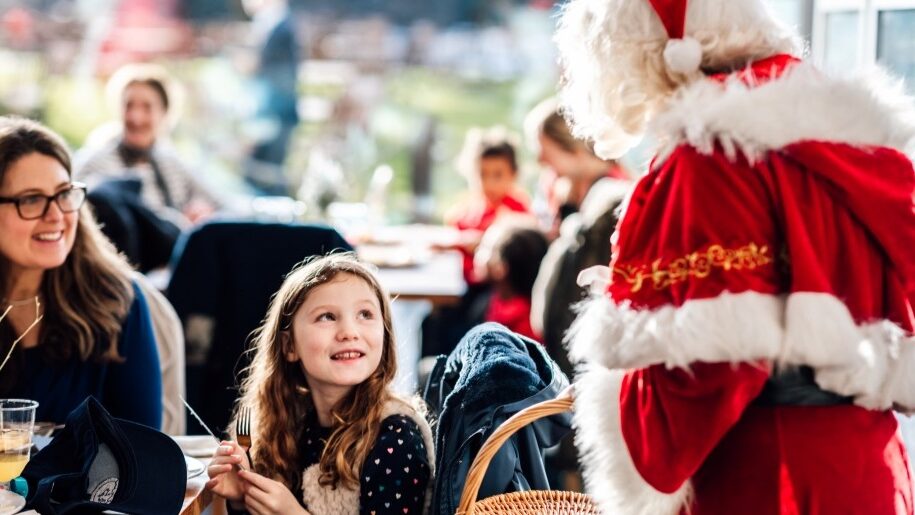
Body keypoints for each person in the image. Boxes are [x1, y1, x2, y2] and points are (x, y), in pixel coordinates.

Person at [557, 0, 915, 514]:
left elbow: (709, 366)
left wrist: (639, 311)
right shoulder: (846, 137)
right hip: (863, 465)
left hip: (762, 475)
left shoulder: (711, 160)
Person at [206, 253, 433, 514]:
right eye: (327, 317)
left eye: (365, 314)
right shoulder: (289, 423)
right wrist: (241, 498)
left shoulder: (395, 437)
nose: (349, 331)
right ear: (289, 346)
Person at [0, 116, 162, 428]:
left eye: (63, 194)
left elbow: (143, 450)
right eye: (31, 199)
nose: (56, 215)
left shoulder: (116, 299)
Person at [76, 63, 219, 224]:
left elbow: (223, 202)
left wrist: (203, 212)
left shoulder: (172, 162)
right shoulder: (96, 164)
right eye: (128, 105)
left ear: (164, 113)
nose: (136, 117)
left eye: (147, 107)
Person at [445, 126, 531, 286]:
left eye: (498, 175)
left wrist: (482, 241)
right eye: (482, 174)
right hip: (460, 283)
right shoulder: (471, 208)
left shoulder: (518, 211)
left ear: (514, 174)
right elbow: (454, 227)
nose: (489, 183)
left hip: (494, 289)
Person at [241, 0, 300, 196]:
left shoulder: (283, 28)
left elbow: (282, 81)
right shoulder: (270, 25)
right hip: (268, 116)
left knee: (269, 177)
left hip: (274, 117)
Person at [474, 222, 549, 342]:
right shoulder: (497, 299)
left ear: (501, 268)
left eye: (485, 248)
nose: (476, 252)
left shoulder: (524, 327)